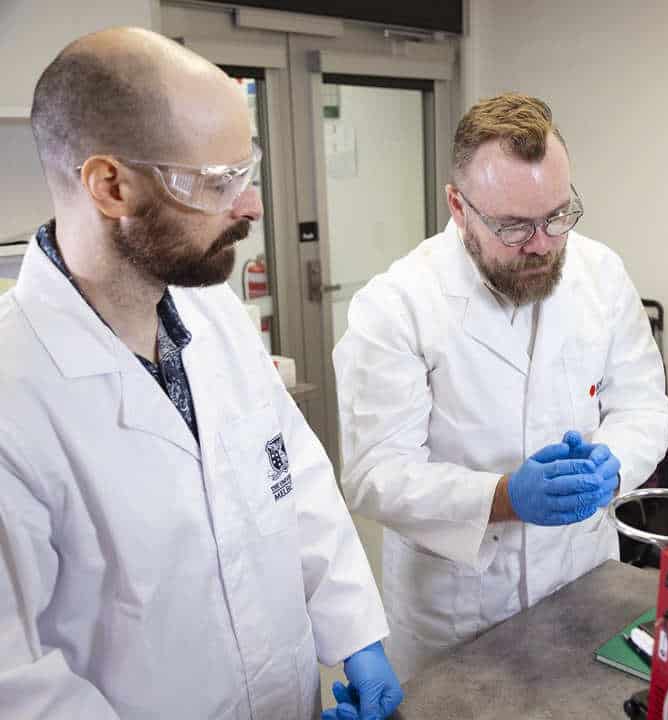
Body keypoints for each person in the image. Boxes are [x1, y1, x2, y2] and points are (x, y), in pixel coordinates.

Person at [0, 28, 402, 719]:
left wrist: (356, 633)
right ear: (110, 185)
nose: (251, 206)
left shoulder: (212, 314)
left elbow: (293, 477)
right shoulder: (16, 397)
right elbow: (18, 684)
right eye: (219, 182)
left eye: (246, 172)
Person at [332, 92, 668, 680]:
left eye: (558, 215)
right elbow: (373, 474)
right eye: (515, 226)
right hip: (458, 615)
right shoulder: (397, 308)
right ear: (458, 206)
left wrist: (610, 465)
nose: (543, 243)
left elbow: (646, 406)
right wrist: (504, 498)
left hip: (581, 580)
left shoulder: (600, 274)